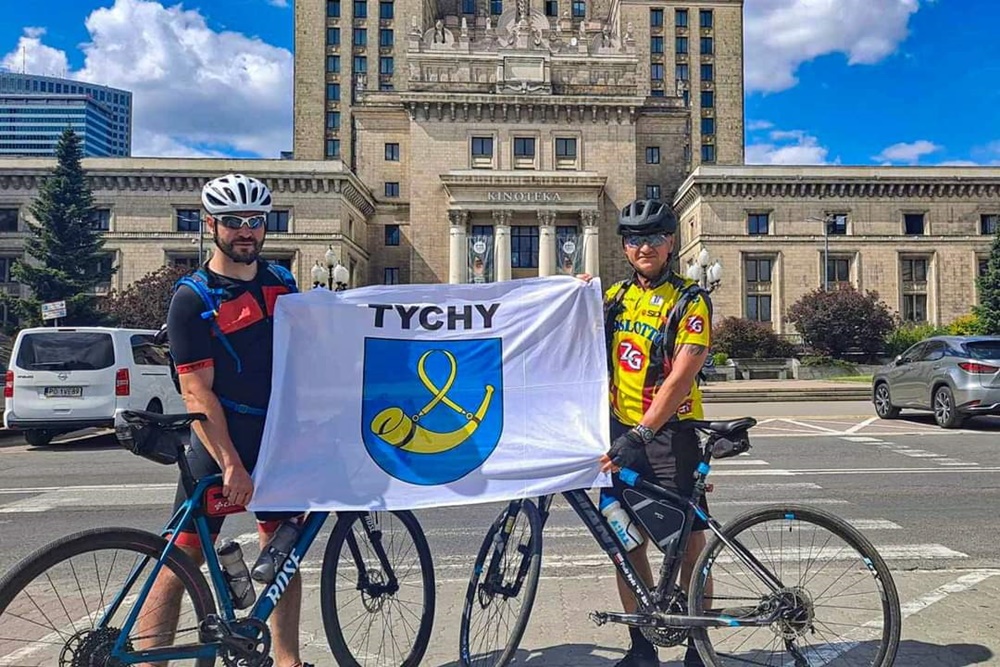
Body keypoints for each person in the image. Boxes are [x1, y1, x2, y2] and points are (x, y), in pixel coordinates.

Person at [137, 173, 311, 667]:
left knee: (281, 552)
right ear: (210, 224)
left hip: (274, 441)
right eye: (232, 222)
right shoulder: (193, 298)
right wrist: (231, 464)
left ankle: (287, 660)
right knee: (183, 556)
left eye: (255, 222)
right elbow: (196, 390)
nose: (245, 232)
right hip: (217, 444)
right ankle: (152, 661)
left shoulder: (282, 282)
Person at [595, 199, 713, 667]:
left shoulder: (691, 298)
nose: (644, 246)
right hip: (621, 433)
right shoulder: (617, 298)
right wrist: (576, 294)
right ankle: (641, 645)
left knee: (687, 547)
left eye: (654, 237)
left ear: (671, 243)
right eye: (634, 239)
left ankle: (698, 648)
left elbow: (682, 375)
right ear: (624, 248)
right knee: (625, 545)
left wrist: (642, 433)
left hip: (668, 436)